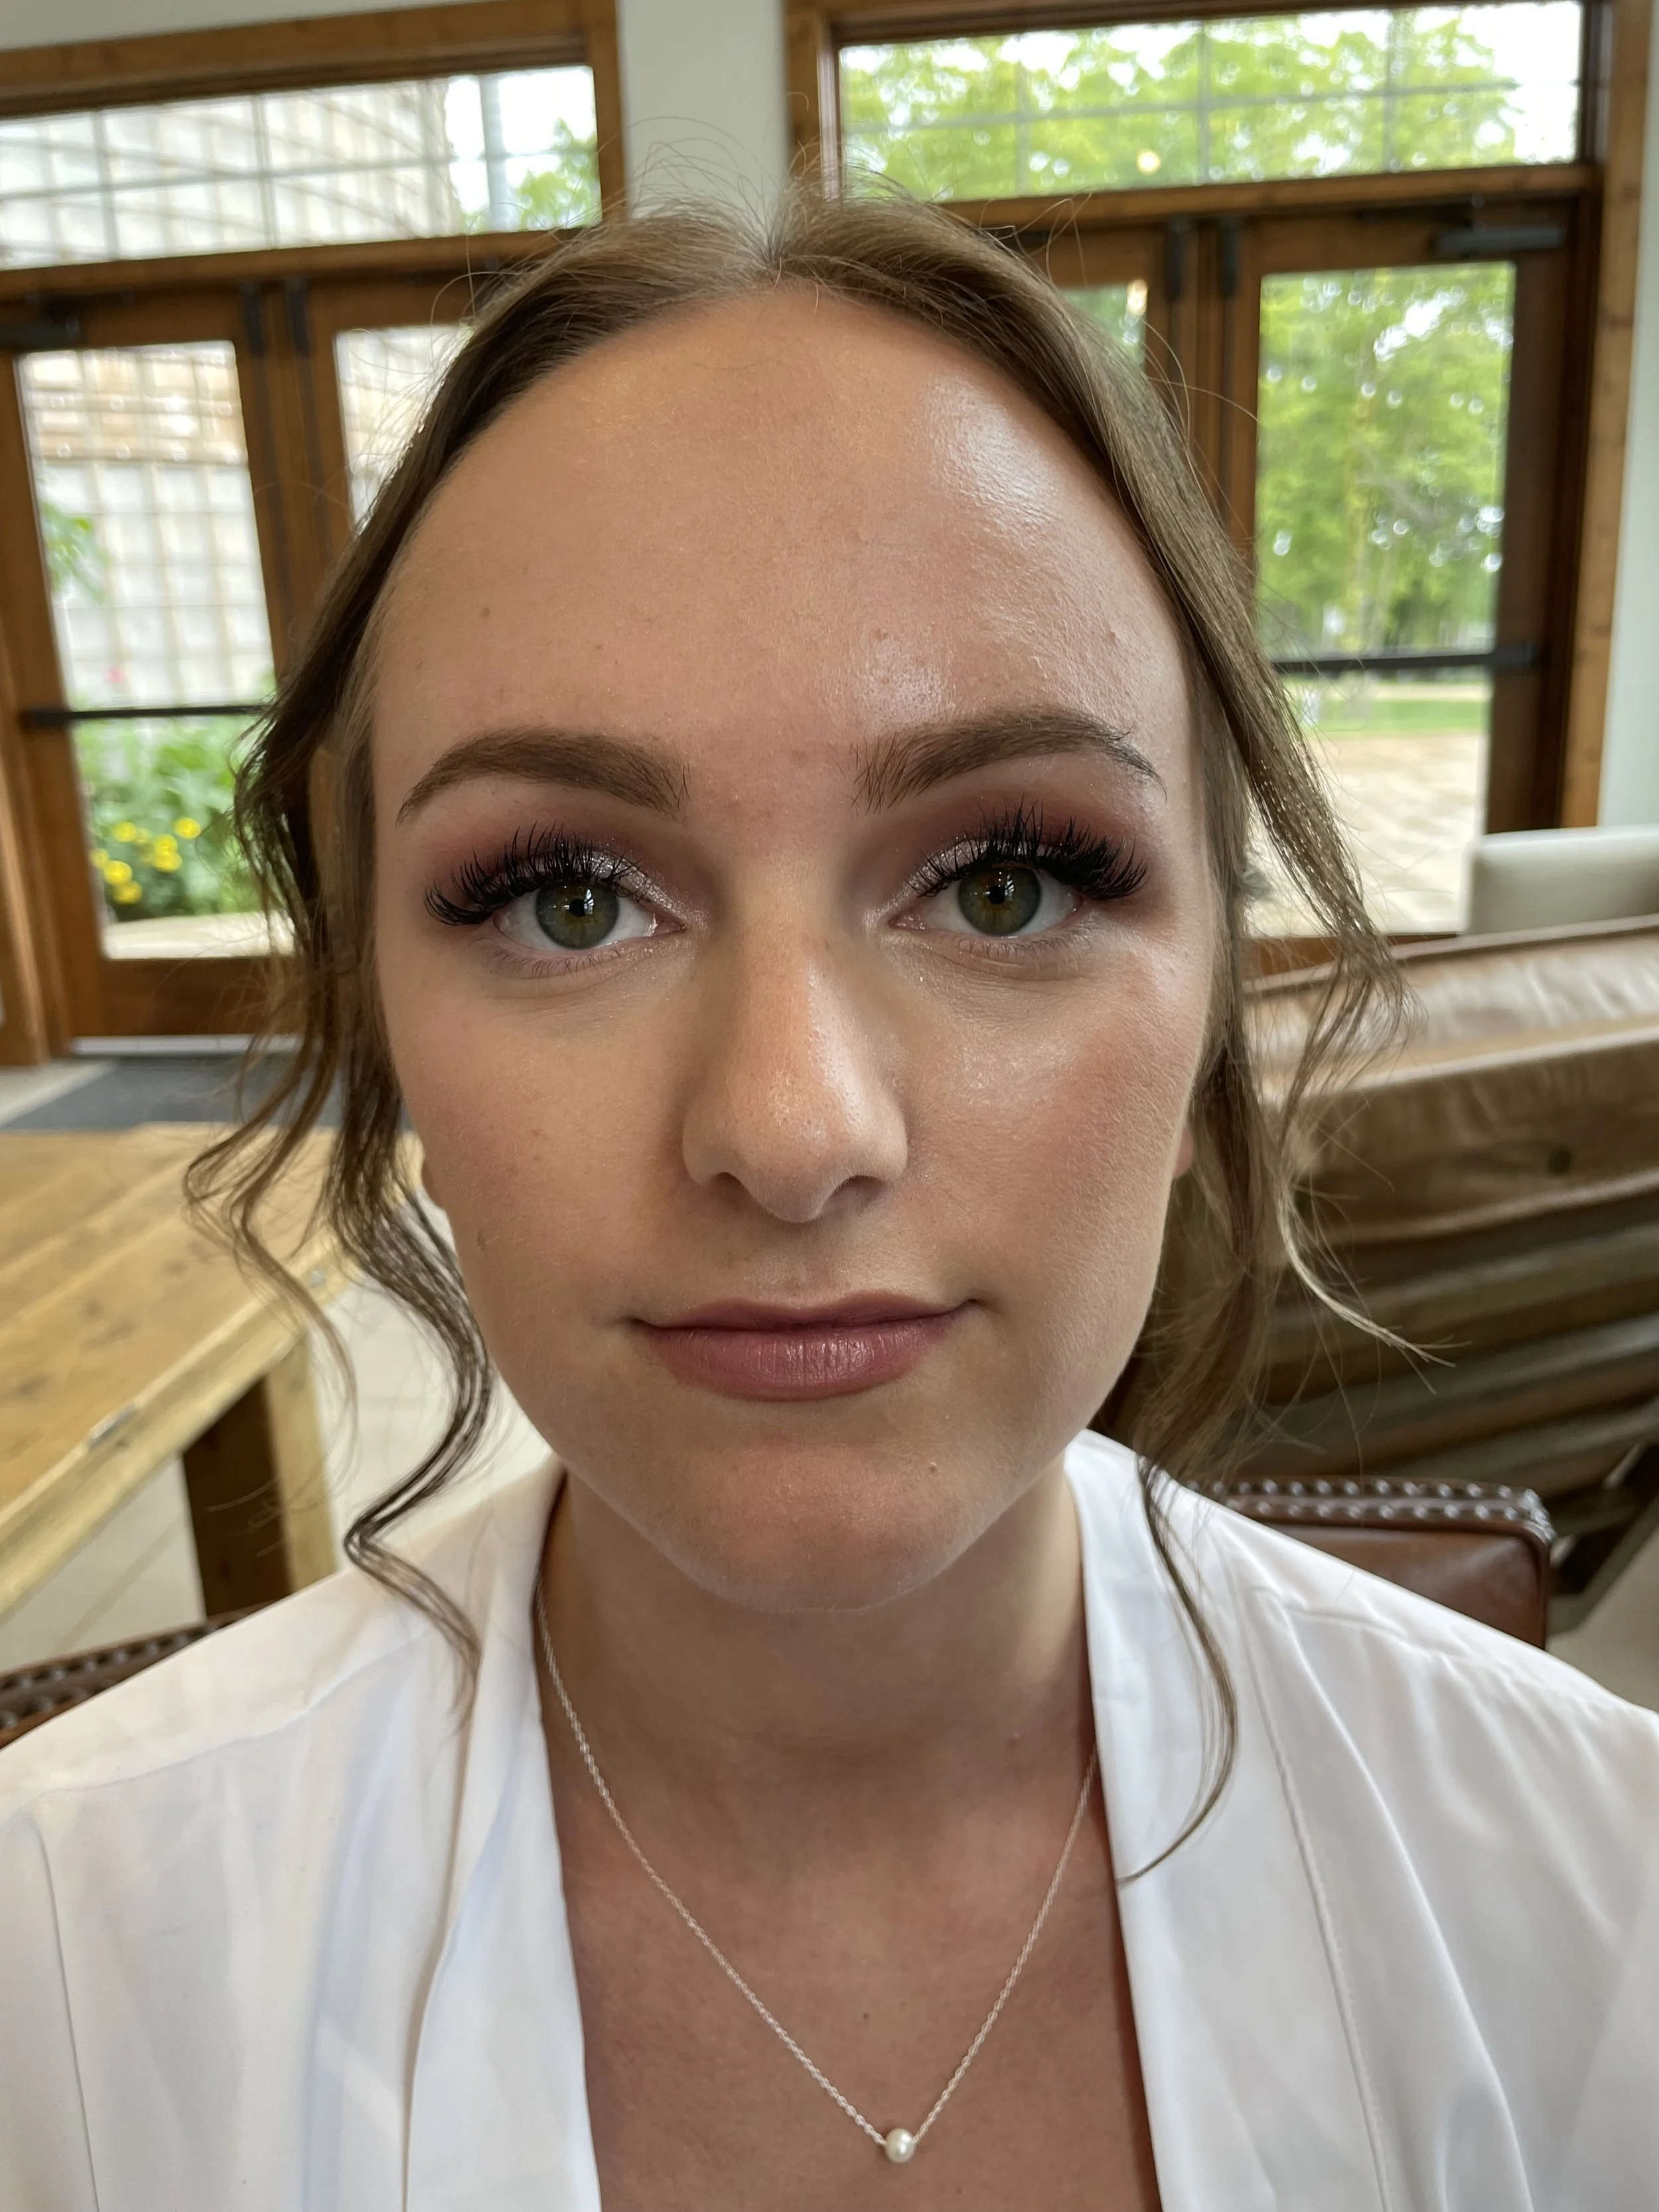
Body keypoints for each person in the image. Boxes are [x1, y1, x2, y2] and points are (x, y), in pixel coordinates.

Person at [1, 196, 1654, 2212]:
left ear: (1213, 995)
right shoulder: (64, 1957)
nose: (792, 1130)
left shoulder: (1601, 1902)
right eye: (566, 899)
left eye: (1005, 884)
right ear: (388, 1028)